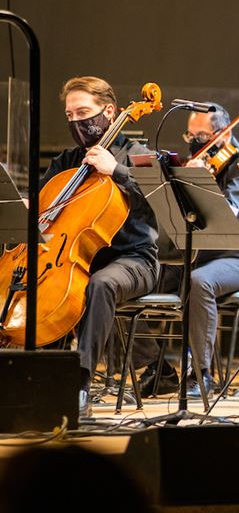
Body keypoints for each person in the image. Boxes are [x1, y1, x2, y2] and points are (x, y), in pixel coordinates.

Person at [39, 76, 160, 416]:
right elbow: (40, 206)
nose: (76, 122)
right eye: (69, 115)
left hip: (133, 260)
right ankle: (36, 376)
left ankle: (80, 383)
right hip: (76, 259)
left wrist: (117, 171)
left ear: (109, 111)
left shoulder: (138, 156)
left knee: (101, 284)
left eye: (83, 112)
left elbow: (160, 199)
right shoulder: (67, 162)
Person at [134, 104, 239, 397]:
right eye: (190, 135)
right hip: (193, 256)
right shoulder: (194, 163)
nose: (195, 142)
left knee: (199, 281)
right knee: (126, 281)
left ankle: (201, 375)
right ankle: (158, 367)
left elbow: (231, 219)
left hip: (238, 260)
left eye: (202, 135)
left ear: (225, 133)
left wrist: (203, 186)